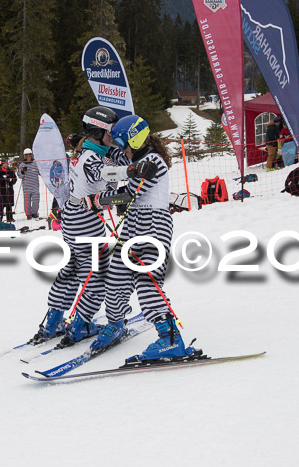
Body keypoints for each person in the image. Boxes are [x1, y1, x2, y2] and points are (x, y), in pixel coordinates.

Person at [82, 114, 196, 362]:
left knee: (147, 282)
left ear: (136, 141)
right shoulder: (132, 155)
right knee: (116, 277)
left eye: (123, 144)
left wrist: (96, 201)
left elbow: (128, 195)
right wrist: (91, 142)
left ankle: (170, 339)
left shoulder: (152, 162)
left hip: (154, 225)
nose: (121, 149)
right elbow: (114, 158)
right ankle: (116, 323)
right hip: (133, 226)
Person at [31, 106, 143, 347]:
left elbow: (106, 170)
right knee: (96, 276)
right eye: (110, 131)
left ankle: (54, 321)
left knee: (71, 270)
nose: (114, 136)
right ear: (98, 130)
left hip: (74, 216)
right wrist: (131, 171)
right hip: (85, 220)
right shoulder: (91, 158)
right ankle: (80, 324)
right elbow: (104, 172)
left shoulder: (88, 150)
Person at [17, 148, 40, 219]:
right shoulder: (22, 165)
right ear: (25, 156)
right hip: (26, 186)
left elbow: (40, 172)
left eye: (30, 155)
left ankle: (34, 213)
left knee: (36, 200)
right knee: (27, 201)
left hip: (35, 185)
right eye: (27, 155)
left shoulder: (35, 164)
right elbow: (20, 176)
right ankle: (28, 214)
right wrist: (23, 172)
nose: (28, 156)